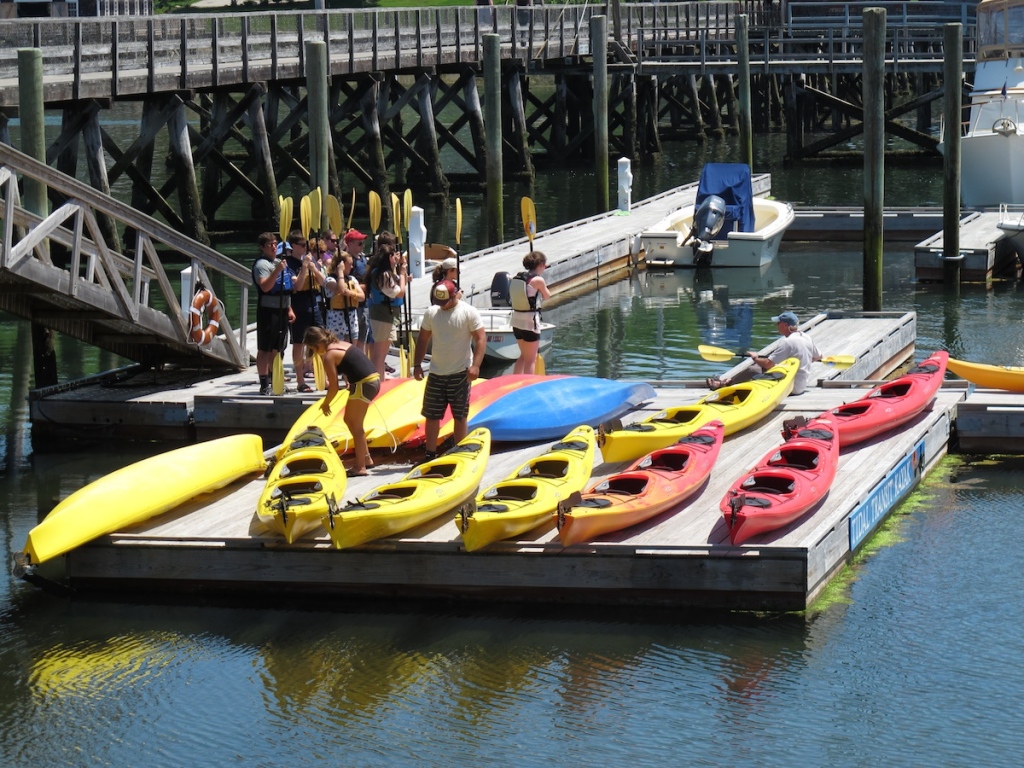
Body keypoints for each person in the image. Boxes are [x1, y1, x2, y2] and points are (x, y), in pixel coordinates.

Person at [412, 278, 486, 462]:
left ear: (455, 296)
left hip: (460, 373)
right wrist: (417, 364)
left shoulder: (469, 312)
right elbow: (422, 339)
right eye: (439, 302)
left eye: (445, 302)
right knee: (431, 415)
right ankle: (430, 454)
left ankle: (460, 454)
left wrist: (475, 365)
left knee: (460, 415)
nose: (442, 306)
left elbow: (481, 339)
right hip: (436, 372)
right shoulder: (432, 313)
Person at [303, 326, 381, 477]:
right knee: (352, 421)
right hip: (372, 380)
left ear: (317, 345)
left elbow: (333, 387)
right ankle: (366, 458)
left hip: (364, 384)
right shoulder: (341, 344)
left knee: (354, 425)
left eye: (312, 349)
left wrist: (326, 404)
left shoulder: (329, 356)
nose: (314, 353)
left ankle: (360, 467)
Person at [706, 310, 823, 395]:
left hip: (791, 387)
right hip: (801, 385)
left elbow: (768, 364)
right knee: (760, 367)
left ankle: (725, 385)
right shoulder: (806, 337)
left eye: (778, 323)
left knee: (754, 369)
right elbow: (819, 356)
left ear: (786, 325)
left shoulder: (788, 342)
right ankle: (727, 383)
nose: (776, 325)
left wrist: (755, 357)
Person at [252, 232, 295, 395]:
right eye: (270, 244)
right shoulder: (261, 265)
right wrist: (277, 270)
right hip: (268, 311)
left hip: (282, 309)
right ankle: (264, 384)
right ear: (263, 247)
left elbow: (287, 288)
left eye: (275, 243)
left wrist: (289, 309)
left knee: (278, 349)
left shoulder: (278, 262)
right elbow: (265, 287)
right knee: (265, 349)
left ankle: (276, 381)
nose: (274, 247)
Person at [286, 230, 326, 393]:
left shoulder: (309, 261)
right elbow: (297, 286)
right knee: (299, 344)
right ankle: (300, 380)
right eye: (302, 246)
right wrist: (304, 267)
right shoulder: (289, 264)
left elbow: (322, 282)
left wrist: (314, 268)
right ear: (294, 246)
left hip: (313, 304)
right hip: (298, 305)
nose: (305, 249)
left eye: (306, 246)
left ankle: (323, 377)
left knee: (321, 339)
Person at [367, 240, 407, 380]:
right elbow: (400, 292)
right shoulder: (383, 275)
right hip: (382, 316)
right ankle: (379, 382)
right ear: (389, 257)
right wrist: (402, 274)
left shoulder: (379, 272)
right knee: (380, 354)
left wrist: (401, 273)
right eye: (394, 255)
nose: (396, 258)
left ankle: (380, 376)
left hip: (382, 315)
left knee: (380, 352)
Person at [510, 250, 551, 374]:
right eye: (544, 266)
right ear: (540, 265)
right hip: (529, 322)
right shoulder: (538, 280)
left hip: (516, 321)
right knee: (531, 359)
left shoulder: (517, 278)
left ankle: (514, 382)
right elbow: (547, 296)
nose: (544, 268)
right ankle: (529, 385)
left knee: (523, 356)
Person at [324, 251, 364, 344]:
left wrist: (351, 293)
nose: (352, 267)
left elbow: (362, 296)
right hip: (336, 324)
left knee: (351, 350)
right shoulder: (330, 280)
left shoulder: (352, 279)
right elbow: (341, 289)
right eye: (349, 264)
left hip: (352, 321)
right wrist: (340, 272)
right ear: (341, 265)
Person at [342, 228, 371, 351]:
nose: (362, 245)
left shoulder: (363, 258)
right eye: (359, 243)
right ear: (349, 244)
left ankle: (360, 359)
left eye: (363, 243)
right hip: (353, 305)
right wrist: (367, 287)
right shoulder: (348, 261)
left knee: (362, 335)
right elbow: (346, 283)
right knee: (351, 337)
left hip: (365, 304)